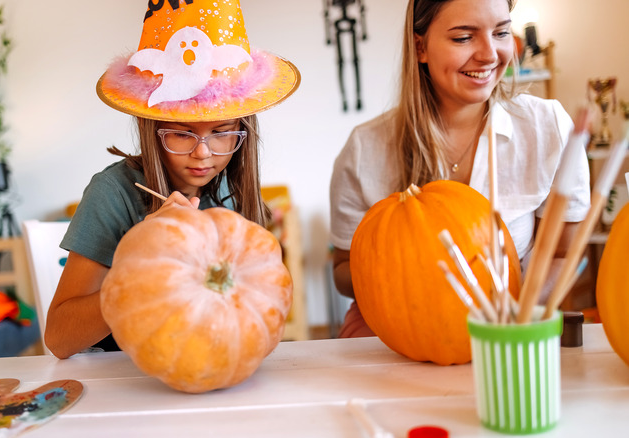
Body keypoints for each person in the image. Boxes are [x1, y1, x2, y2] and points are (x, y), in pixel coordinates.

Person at [45, 1, 300, 359]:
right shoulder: (114, 194)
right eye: (181, 134)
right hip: (128, 378)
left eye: (222, 132)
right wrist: (142, 259)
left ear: (243, 130)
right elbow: (58, 338)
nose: (203, 153)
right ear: (152, 129)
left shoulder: (231, 188)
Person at [329, 0, 590, 337]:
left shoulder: (546, 127)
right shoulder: (365, 148)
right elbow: (342, 269)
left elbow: (562, 252)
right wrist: (401, 279)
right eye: (463, 38)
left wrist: (512, 309)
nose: (489, 54)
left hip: (504, 327)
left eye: (501, 32)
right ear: (420, 47)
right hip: (393, 332)